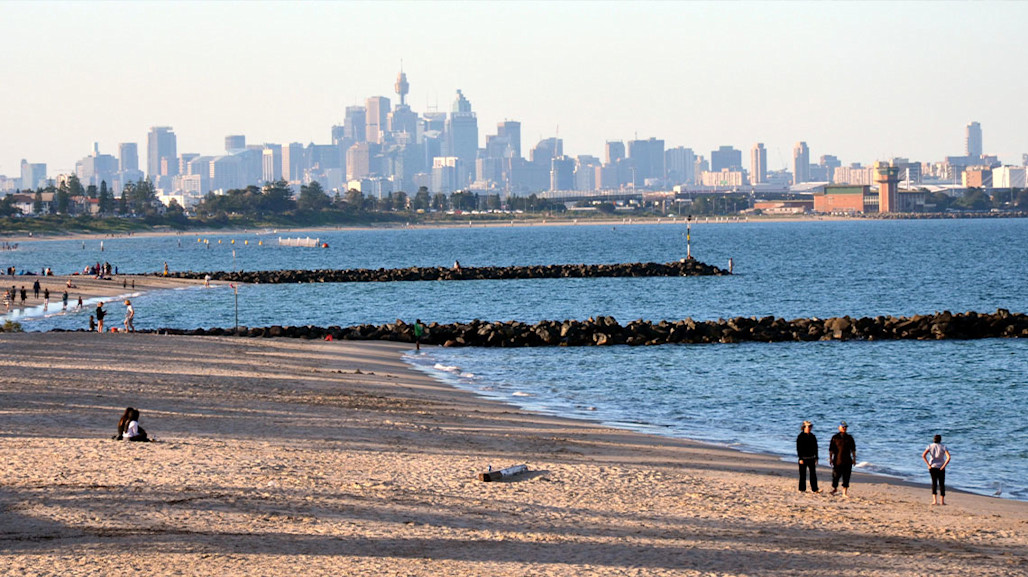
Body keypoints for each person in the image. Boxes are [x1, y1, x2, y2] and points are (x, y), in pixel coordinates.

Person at [829, 421, 857, 496]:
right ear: (839, 427)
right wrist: (830, 458)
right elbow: (831, 449)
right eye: (843, 427)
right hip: (837, 460)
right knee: (836, 476)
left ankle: (844, 492)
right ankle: (834, 489)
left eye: (845, 427)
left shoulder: (849, 438)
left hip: (847, 460)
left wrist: (854, 459)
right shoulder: (835, 437)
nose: (844, 428)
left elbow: (853, 449)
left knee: (846, 476)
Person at [922, 434, 951, 505]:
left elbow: (923, 455)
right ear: (940, 440)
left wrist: (928, 465)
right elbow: (948, 457)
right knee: (942, 484)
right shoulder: (943, 447)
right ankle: (942, 501)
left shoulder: (930, 446)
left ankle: (934, 501)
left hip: (932, 466)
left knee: (934, 483)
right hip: (941, 467)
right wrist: (944, 466)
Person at [796, 420, 820, 493]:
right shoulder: (800, 436)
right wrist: (800, 458)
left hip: (811, 458)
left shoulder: (813, 436)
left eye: (811, 426)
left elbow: (816, 447)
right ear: (804, 427)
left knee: (813, 474)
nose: (809, 428)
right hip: (803, 458)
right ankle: (802, 489)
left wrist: (816, 457)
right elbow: (798, 448)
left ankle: (815, 489)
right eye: (808, 426)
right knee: (802, 474)